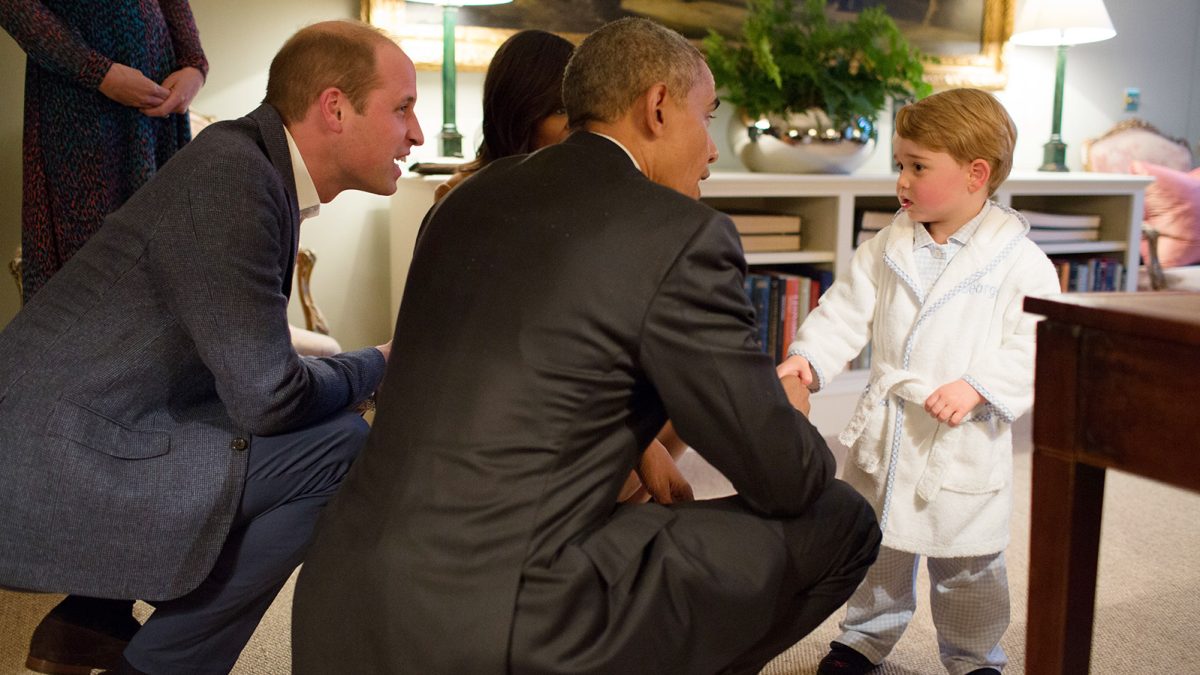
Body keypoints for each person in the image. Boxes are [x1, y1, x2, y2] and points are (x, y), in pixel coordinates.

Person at [292, 17, 880, 674]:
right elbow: (784, 478)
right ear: (658, 107)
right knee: (842, 518)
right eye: (706, 117)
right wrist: (790, 405)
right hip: (497, 626)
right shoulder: (680, 234)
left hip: (338, 601)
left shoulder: (464, 198)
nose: (711, 151)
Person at [0, 20, 423, 675]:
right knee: (338, 451)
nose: (416, 133)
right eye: (403, 109)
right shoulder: (237, 177)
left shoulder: (247, 164)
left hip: (90, 426)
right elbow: (269, 397)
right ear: (335, 107)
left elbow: (244, 369)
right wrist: (380, 361)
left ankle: (90, 620)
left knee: (317, 434)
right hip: (54, 454)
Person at [777, 88, 1061, 675]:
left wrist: (979, 385)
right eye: (899, 165)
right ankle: (863, 638)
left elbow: (1038, 339)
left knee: (970, 564)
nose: (901, 181)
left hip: (963, 437)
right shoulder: (888, 244)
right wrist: (810, 358)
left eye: (917, 167)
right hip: (892, 429)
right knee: (877, 547)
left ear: (976, 174)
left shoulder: (1019, 261)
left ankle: (974, 656)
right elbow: (845, 308)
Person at [0, 0, 207, 302]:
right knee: (91, 267)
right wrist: (97, 73)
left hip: (160, 109)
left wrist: (193, 65)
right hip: (80, 105)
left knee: (166, 255)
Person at [434, 28, 574, 201]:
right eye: (561, 111)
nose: (578, 124)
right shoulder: (461, 194)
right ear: (520, 113)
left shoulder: (592, 188)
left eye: (581, 108)